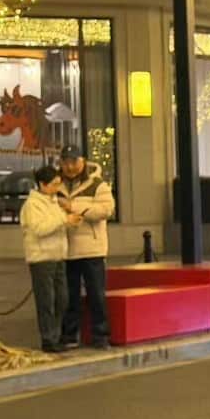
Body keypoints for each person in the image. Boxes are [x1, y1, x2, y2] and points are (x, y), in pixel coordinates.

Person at [57, 145, 115, 350]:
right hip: (65, 249)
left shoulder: (97, 184)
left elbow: (106, 210)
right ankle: (69, 335)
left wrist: (74, 207)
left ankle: (101, 335)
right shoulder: (55, 184)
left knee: (96, 294)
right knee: (68, 296)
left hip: (92, 249)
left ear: (83, 161)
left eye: (74, 161)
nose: (70, 166)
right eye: (65, 162)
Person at [20, 165, 80, 353]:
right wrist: (63, 220)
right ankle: (48, 338)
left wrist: (70, 221)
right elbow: (39, 229)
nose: (57, 188)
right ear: (42, 185)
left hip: (58, 256)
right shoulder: (32, 205)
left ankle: (56, 334)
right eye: (54, 184)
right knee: (47, 300)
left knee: (62, 299)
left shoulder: (54, 202)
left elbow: (56, 225)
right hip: (42, 258)